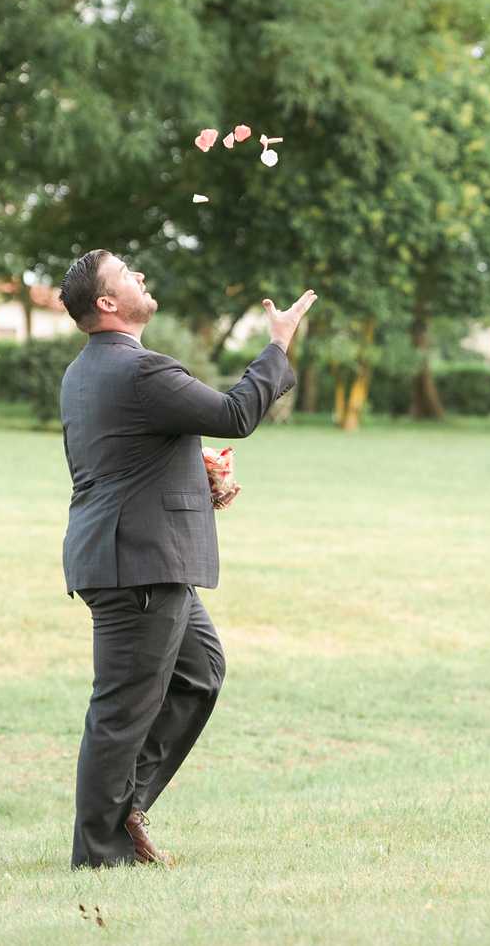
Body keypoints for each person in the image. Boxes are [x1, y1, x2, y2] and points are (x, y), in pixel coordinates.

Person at [55, 248, 315, 868]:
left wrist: (193, 474)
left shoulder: (86, 372)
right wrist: (277, 345)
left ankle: (127, 811)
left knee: (199, 672)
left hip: (138, 558)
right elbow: (234, 414)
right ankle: (100, 853)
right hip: (138, 563)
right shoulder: (139, 371)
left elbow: (119, 460)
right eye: (126, 275)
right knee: (122, 708)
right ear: (107, 303)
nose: (140, 275)